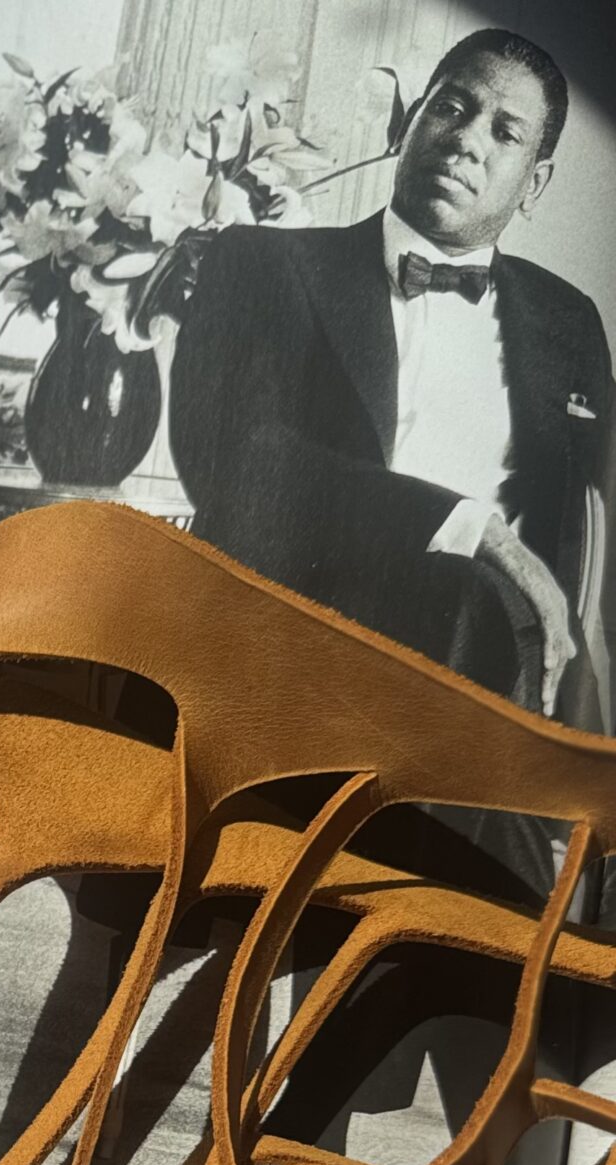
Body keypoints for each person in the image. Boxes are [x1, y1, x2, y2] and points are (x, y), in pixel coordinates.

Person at [169, 27, 614, 726]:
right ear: (405, 124)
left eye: (504, 133)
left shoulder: (569, 320)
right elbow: (236, 464)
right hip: (287, 660)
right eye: (453, 108)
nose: (466, 141)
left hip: (504, 695)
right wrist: (474, 528)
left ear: (534, 184)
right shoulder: (260, 264)